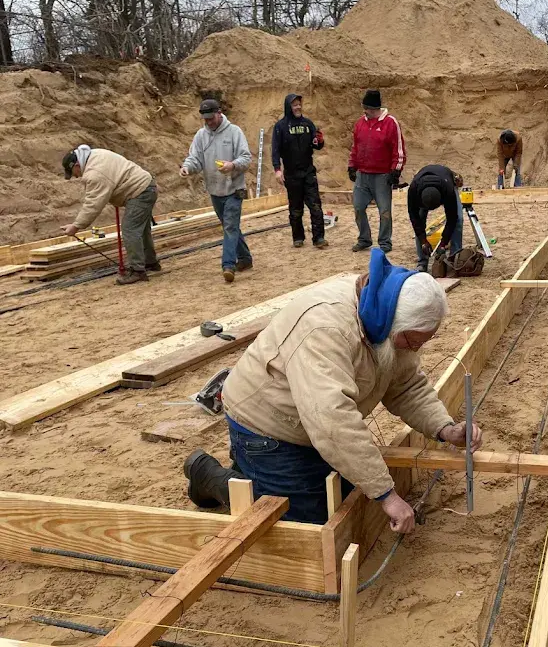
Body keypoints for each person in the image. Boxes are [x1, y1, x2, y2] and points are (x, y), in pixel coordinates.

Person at [184, 248, 483, 529]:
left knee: (347, 495)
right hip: (266, 426)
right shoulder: (326, 328)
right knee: (305, 525)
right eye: (414, 340)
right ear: (396, 322)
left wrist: (444, 428)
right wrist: (387, 495)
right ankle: (209, 475)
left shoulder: (386, 317)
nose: (418, 348)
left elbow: (405, 385)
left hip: (309, 425)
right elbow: (331, 420)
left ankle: (254, 471)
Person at [61, 145, 158, 286]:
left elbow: (93, 205)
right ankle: (150, 262)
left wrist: (76, 226)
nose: (76, 176)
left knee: (130, 230)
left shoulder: (95, 173)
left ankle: (137, 270)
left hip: (140, 191)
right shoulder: (95, 154)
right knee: (141, 229)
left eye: (73, 172)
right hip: (145, 186)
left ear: (77, 165)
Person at [180, 99, 253, 283]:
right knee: (230, 226)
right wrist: (187, 168)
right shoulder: (200, 136)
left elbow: (246, 158)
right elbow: (194, 158)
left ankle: (228, 265)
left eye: (211, 118)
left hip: (235, 189)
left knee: (229, 227)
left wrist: (232, 165)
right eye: (205, 119)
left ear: (219, 113)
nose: (209, 122)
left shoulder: (234, 132)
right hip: (215, 190)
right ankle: (245, 259)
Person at [348, 89, 406, 254]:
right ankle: (364, 239)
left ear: (374, 108)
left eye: (367, 108)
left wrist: (395, 171)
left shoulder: (391, 123)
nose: (364, 111)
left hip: (382, 175)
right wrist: (352, 165)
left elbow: (398, 149)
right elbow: (355, 147)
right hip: (363, 174)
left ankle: (385, 242)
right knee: (358, 207)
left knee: (385, 211)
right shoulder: (360, 123)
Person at [271, 93, 328, 250]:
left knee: (315, 206)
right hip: (291, 174)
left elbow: (316, 145)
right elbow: (275, 150)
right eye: (294, 104)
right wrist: (277, 169)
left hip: (308, 172)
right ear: (288, 106)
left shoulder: (308, 124)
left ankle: (319, 238)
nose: (298, 107)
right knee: (295, 210)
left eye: (299, 104)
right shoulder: (280, 127)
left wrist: (320, 141)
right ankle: (298, 237)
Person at [407, 164, 464, 273]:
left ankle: (454, 258)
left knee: (459, 220)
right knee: (420, 220)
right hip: (423, 184)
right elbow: (414, 219)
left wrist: (443, 243)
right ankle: (422, 263)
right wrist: (424, 241)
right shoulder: (413, 190)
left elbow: (452, 218)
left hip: (446, 178)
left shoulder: (448, 189)